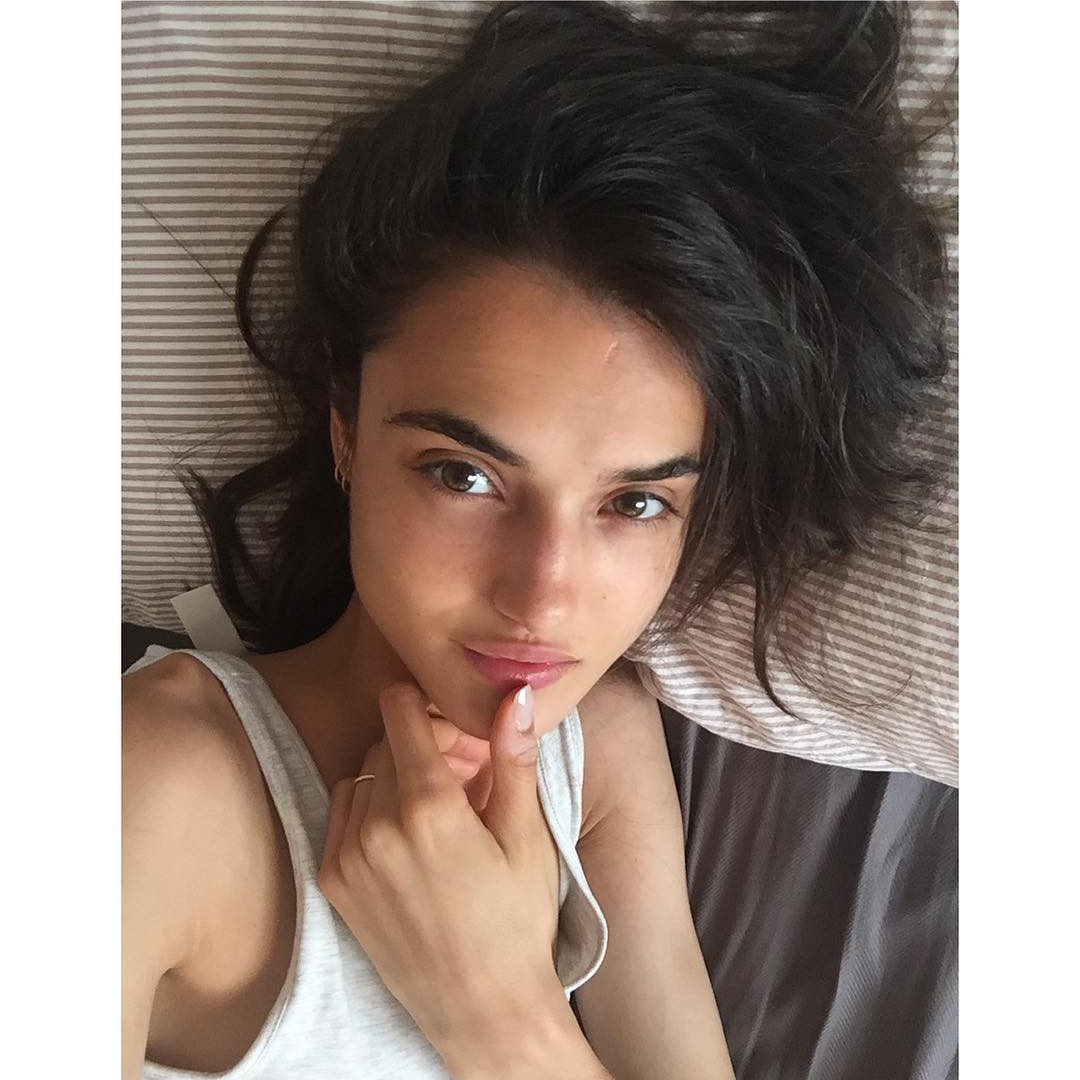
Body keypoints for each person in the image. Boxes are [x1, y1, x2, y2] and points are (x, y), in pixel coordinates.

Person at [121, 2, 948, 1077]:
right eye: (464, 474)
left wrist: (497, 1007)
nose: (542, 598)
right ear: (345, 426)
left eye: (635, 503)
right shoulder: (147, 783)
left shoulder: (598, 745)